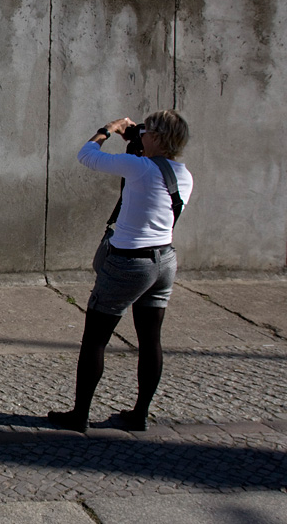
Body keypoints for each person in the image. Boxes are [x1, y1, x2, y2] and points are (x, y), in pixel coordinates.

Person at [49, 110, 193, 432]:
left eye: (146, 132)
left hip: (129, 263)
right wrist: (136, 144)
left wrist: (108, 130)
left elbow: (87, 155)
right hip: (164, 261)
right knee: (150, 340)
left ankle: (79, 415)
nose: (141, 135)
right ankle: (139, 414)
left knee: (95, 340)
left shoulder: (138, 167)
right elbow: (150, 177)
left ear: (156, 137)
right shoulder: (183, 174)